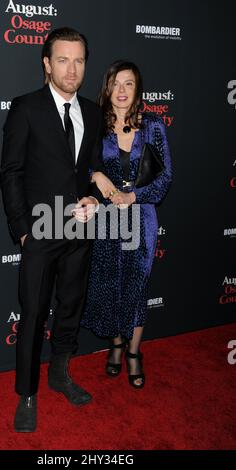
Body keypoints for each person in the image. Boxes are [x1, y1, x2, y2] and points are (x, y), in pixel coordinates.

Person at [0, 27, 115, 432]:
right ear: (47, 64)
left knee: (70, 308)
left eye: (79, 60)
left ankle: (60, 374)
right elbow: (11, 172)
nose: (72, 69)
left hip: (81, 232)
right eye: (63, 60)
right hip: (40, 232)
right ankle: (27, 393)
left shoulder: (93, 111)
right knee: (32, 315)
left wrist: (94, 198)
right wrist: (23, 230)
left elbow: (90, 170)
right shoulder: (26, 108)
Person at [81, 60, 172, 389]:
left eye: (128, 84)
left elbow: (165, 178)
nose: (121, 91)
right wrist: (96, 174)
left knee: (136, 287)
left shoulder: (153, 126)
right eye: (115, 83)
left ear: (137, 89)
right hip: (106, 220)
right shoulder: (95, 126)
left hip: (141, 218)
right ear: (107, 88)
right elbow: (80, 168)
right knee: (108, 284)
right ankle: (116, 346)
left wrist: (134, 198)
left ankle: (134, 352)